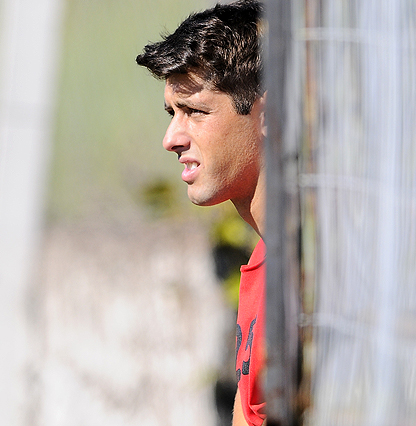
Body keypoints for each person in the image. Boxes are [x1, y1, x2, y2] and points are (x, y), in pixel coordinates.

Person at [135, 2, 266, 425]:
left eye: (194, 111)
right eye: (173, 113)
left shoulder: (307, 274)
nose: (171, 138)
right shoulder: (264, 263)